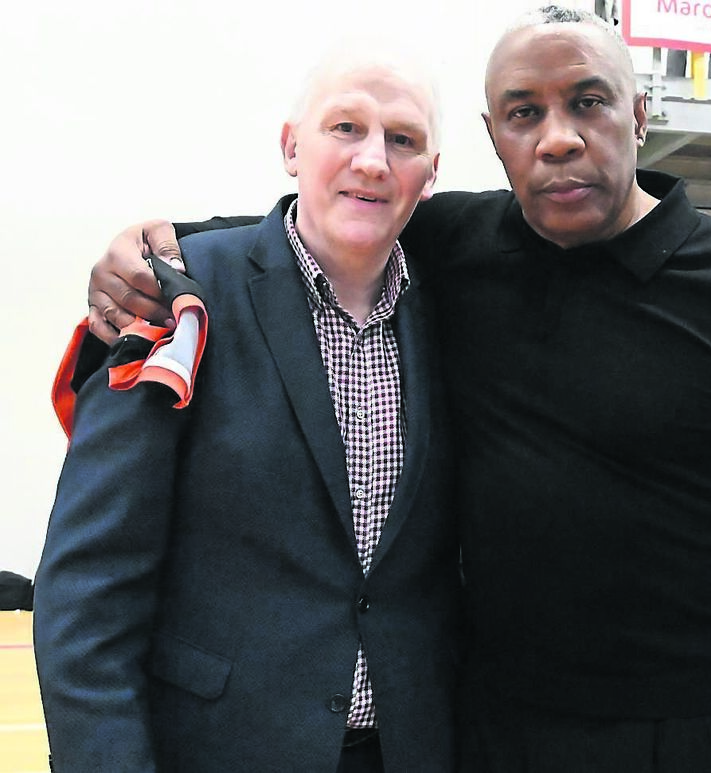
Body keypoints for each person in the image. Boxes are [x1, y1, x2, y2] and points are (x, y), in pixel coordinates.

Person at [77, 7, 711, 771]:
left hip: (687, 733)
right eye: (524, 113)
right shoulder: (457, 247)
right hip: (486, 730)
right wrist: (156, 244)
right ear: (494, 138)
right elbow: (316, 224)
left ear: (641, 111)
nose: (558, 138)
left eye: (588, 102)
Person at [35, 45, 460, 772]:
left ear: (431, 176)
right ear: (292, 147)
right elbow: (86, 590)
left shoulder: (456, 312)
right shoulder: (180, 300)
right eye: (345, 128)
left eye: (403, 139)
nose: (371, 160)